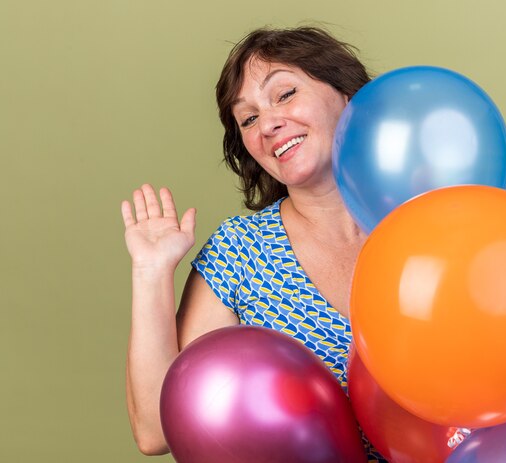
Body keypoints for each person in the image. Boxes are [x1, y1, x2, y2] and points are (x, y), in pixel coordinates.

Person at [121, 26, 386, 461]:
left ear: (347, 94)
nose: (268, 124)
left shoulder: (426, 222)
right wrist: (150, 272)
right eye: (248, 118)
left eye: (284, 94)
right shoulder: (240, 252)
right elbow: (155, 429)